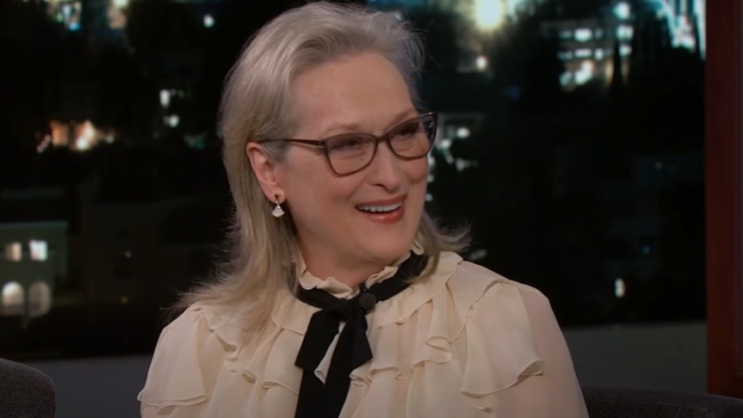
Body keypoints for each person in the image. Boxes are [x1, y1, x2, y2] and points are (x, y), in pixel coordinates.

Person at [138, 2, 589, 417]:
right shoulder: (195, 350)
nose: (392, 176)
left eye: (405, 132)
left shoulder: (511, 325)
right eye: (348, 144)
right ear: (269, 171)